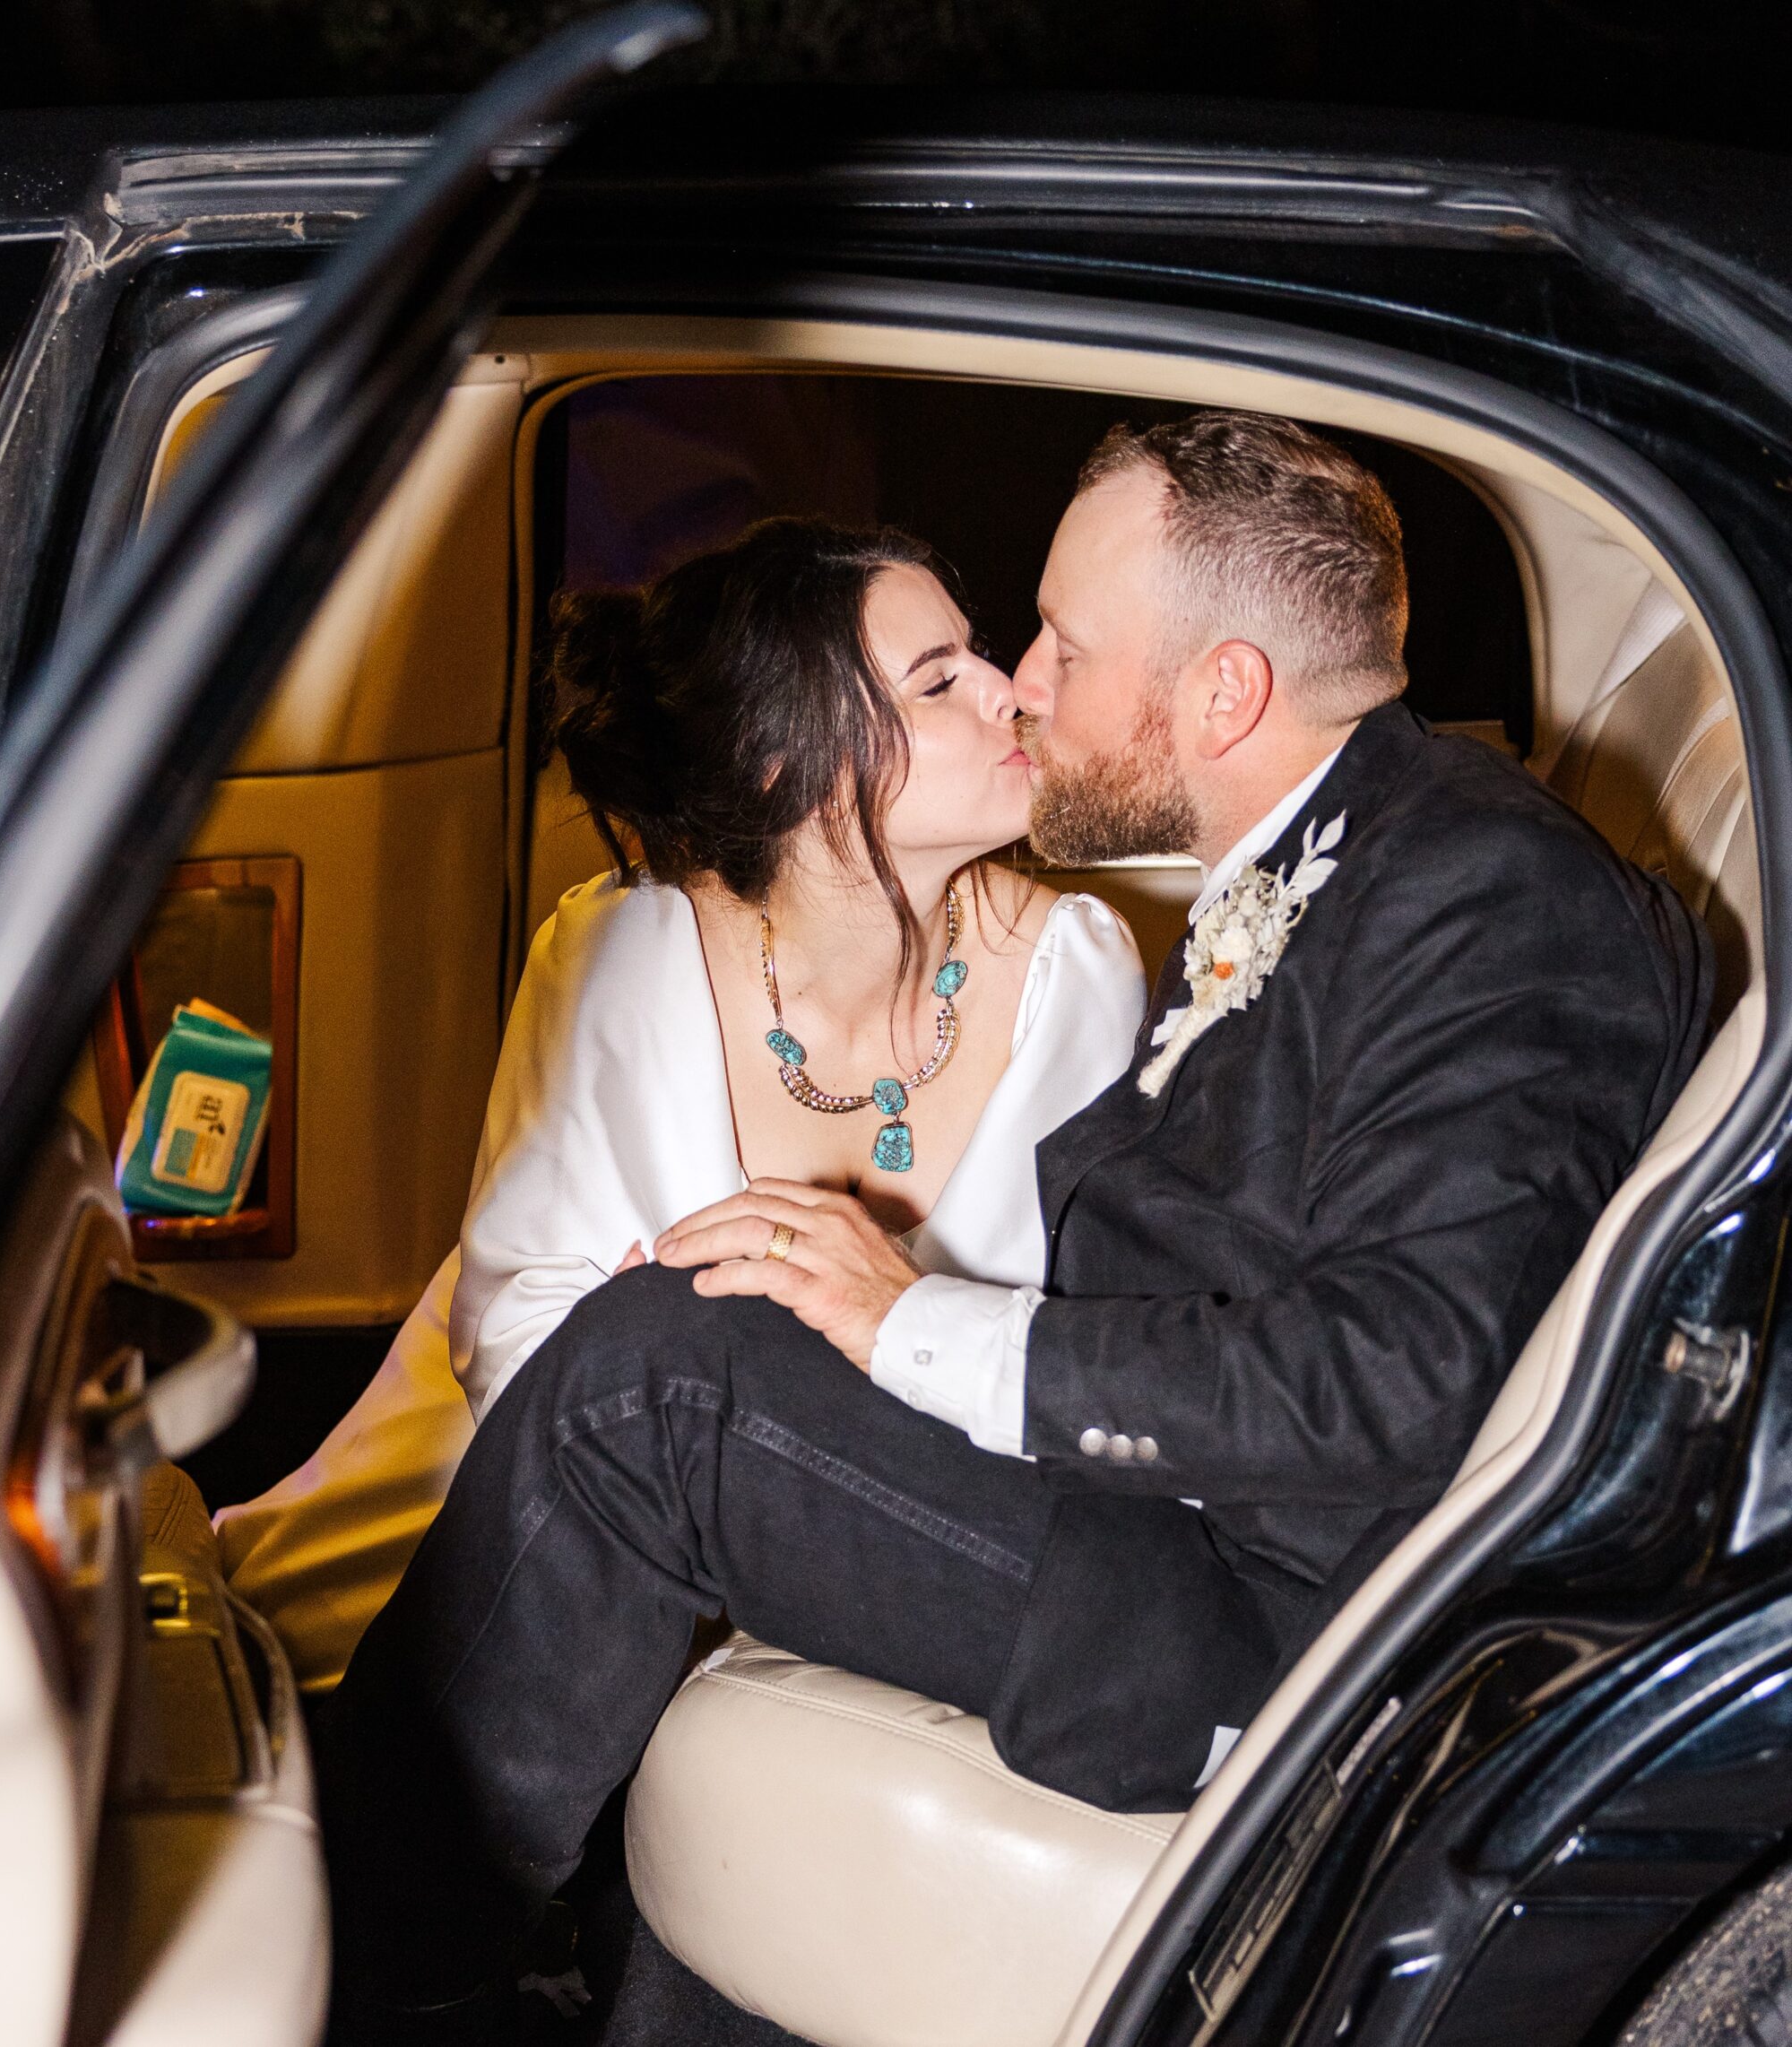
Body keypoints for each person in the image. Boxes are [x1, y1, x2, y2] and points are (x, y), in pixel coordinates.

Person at [316, 411, 1715, 2035]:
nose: (1025, 688)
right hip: (1170, 1528)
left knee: (662, 1382)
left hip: (1276, 1623)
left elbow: (1408, 1381)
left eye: (1061, 642)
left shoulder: (1486, 892)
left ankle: (345, 1981)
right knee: (698, 1349)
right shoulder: (1327, 863)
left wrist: (909, 1320)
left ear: (1224, 692)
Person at [217, 515, 1145, 1687]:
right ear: (783, 766)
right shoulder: (618, 953)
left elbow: (1074, 1344)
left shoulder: (1078, 971)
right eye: (938, 681)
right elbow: (519, 1339)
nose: (1011, 693)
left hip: (865, 1555)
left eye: (981, 653)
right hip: (515, 1528)